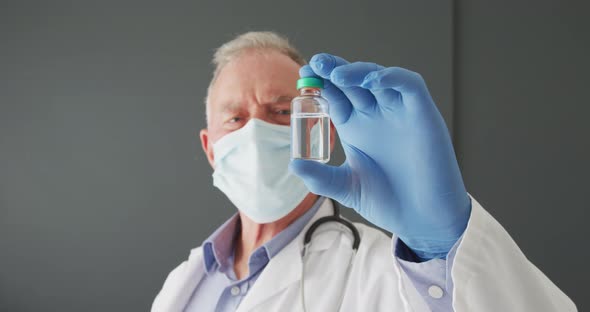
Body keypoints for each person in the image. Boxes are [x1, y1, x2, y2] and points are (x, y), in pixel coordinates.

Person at [151, 31, 577, 312]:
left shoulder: (385, 273)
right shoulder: (183, 283)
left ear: (322, 132)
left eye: (282, 111)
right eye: (235, 119)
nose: (256, 132)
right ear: (210, 148)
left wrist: (439, 248)